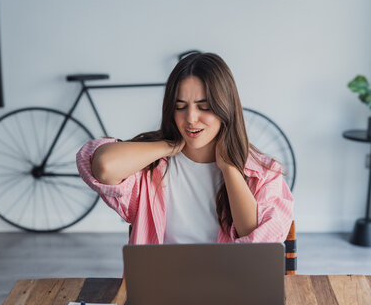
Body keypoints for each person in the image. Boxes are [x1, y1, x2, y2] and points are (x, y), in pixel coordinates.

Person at [76, 52, 293, 244]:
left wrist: (229, 168)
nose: (190, 118)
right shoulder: (149, 168)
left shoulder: (263, 174)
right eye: (180, 107)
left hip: (229, 287)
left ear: (224, 108)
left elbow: (256, 243)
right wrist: (168, 146)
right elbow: (104, 166)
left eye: (204, 107)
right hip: (160, 287)